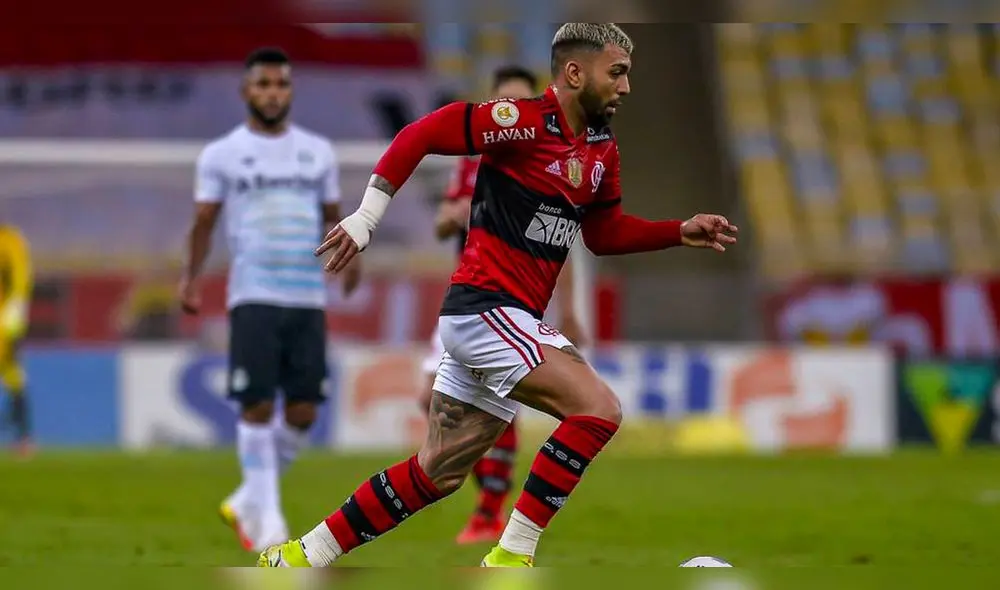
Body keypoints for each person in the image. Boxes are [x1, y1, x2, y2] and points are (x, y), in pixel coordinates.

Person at [257, 23, 737, 568]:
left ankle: (302, 556)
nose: (626, 87)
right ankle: (512, 555)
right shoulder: (524, 123)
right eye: (617, 73)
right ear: (575, 73)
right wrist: (366, 219)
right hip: (486, 309)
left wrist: (679, 230)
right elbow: (421, 134)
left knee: (435, 473)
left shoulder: (602, 151)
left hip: (501, 321)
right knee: (598, 410)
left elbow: (604, 236)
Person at [179, 47, 360, 552]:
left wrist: (353, 259)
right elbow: (204, 221)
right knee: (256, 405)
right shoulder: (221, 154)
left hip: (307, 296)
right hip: (254, 293)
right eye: (263, 85)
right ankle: (270, 524)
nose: (272, 93)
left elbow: (332, 214)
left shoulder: (317, 151)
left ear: (290, 90)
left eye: (280, 84)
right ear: (246, 91)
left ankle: (247, 499)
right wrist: (190, 278)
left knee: (303, 412)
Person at [422, 64, 587, 545]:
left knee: (494, 403)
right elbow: (440, 226)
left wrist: (572, 309)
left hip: (513, 302)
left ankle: (492, 507)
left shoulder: (544, 161)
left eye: (521, 100)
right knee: (431, 399)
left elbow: (564, 240)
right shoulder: (470, 160)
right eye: (504, 102)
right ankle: (486, 500)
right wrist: (452, 216)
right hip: (469, 298)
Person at [0, 223, 32, 457]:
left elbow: (20, 281)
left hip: (5, 322)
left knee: (12, 374)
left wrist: (13, 317)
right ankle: (23, 437)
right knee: (13, 375)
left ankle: (24, 438)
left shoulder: (10, 242)